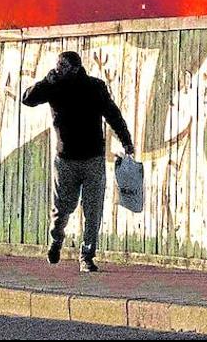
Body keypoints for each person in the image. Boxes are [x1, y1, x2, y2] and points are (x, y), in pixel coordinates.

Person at [21, 51, 135, 272]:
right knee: (62, 208)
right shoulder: (53, 86)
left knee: (93, 210)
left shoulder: (94, 87)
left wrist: (126, 141)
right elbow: (28, 99)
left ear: (75, 68)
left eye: (63, 66)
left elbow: (113, 115)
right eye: (57, 65)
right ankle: (56, 239)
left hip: (93, 159)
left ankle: (87, 256)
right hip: (65, 160)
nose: (58, 69)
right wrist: (46, 81)